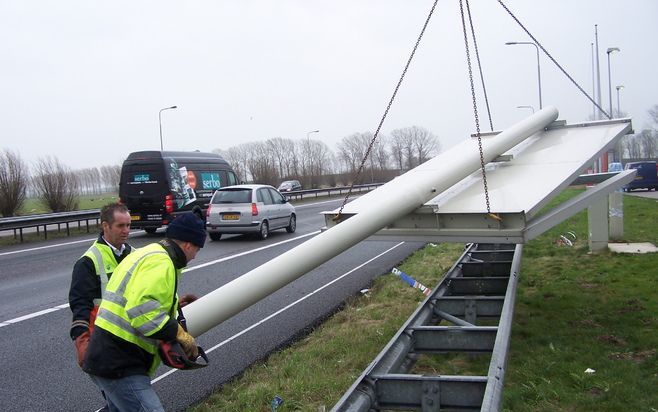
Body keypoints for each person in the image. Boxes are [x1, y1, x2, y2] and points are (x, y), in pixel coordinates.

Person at [82, 209, 206, 411]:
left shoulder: (149, 253)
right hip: (120, 362)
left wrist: (174, 309)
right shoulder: (162, 263)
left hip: (109, 354)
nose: (194, 257)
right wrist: (179, 334)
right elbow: (141, 311)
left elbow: (140, 299)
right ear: (187, 245)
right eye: (197, 250)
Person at [69, 202, 133, 411]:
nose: (126, 231)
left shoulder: (135, 255)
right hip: (104, 343)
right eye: (120, 226)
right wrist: (81, 341)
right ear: (105, 226)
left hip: (131, 339)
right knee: (124, 401)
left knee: (121, 402)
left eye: (128, 226)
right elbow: (80, 305)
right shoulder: (88, 262)